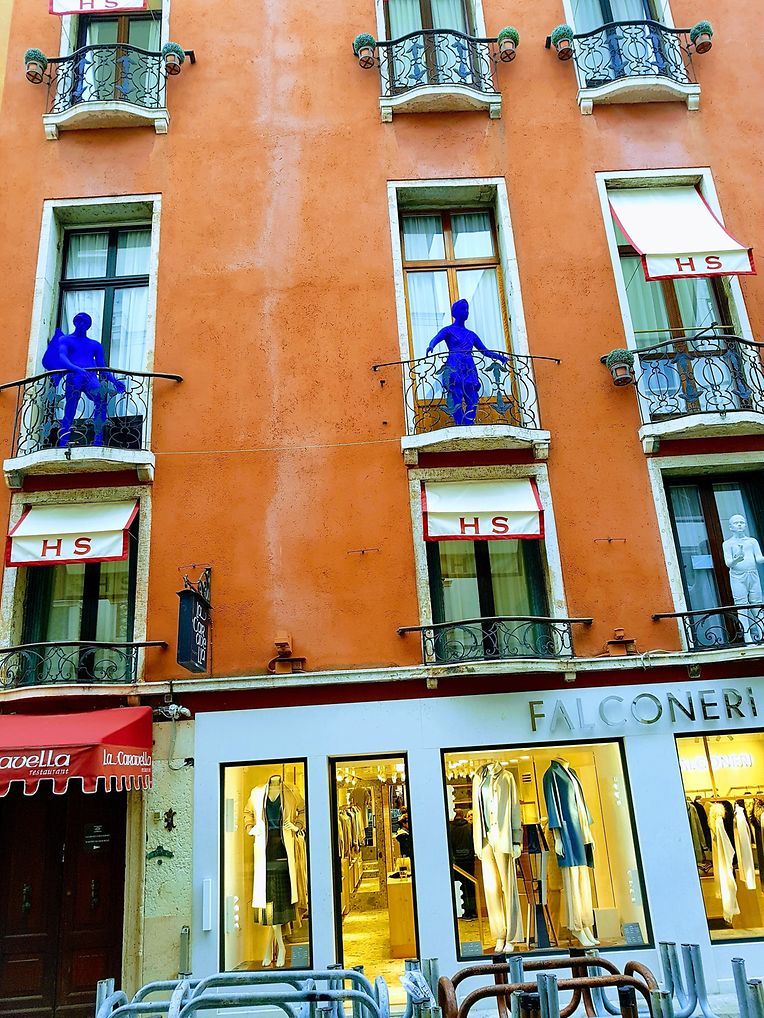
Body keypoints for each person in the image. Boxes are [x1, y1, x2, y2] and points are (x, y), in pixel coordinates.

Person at [42, 313, 125, 448]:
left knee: (101, 400)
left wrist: (115, 381)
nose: (81, 324)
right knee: (70, 408)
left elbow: (102, 367)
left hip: (90, 377)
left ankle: (98, 439)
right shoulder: (65, 340)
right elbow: (63, 357)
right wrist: (77, 369)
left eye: (85, 322)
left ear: (88, 325)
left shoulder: (95, 345)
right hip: (74, 376)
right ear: (75, 323)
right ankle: (63, 442)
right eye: (79, 321)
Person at [425, 298, 509, 427]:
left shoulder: (471, 334)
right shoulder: (448, 330)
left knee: (472, 396)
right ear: (455, 312)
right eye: (463, 309)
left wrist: (500, 357)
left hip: (469, 366)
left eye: (467, 309)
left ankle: (468, 423)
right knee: (456, 393)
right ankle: (460, 424)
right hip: (454, 365)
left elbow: (485, 351)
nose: (466, 312)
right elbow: (436, 339)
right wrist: (431, 346)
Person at [723, 514, 764, 643]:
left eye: (742, 522)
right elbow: (728, 563)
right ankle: (747, 636)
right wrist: (737, 559)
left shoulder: (752, 541)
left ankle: (762, 633)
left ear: (745, 525)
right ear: (731, 527)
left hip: (753, 574)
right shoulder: (728, 544)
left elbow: (759, 558)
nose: (740, 525)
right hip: (737, 576)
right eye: (736, 523)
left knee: (757, 604)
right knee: (742, 606)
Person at [448, 809, 477, 920]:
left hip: (456, 862)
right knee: (470, 886)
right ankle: (472, 911)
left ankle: (461, 911)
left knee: (458, 886)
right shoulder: (470, 827)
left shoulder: (449, 828)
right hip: (469, 860)